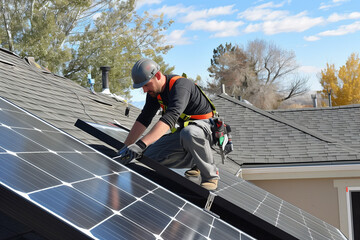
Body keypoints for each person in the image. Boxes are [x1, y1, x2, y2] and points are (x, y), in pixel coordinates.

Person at [115, 58, 219, 190]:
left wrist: (140, 144)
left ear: (157, 75)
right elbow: (144, 118)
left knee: (190, 132)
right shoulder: (155, 94)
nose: (145, 90)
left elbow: (170, 118)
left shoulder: (181, 86)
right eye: (142, 87)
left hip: (206, 131)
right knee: (148, 158)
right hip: (185, 135)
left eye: (146, 85)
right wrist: (126, 147)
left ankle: (210, 175)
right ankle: (196, 161)